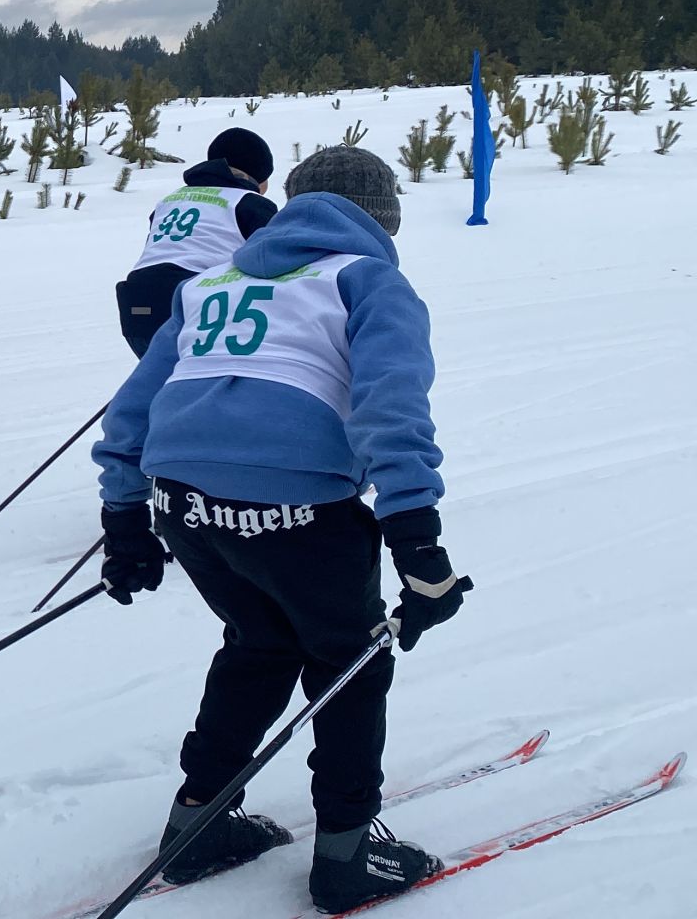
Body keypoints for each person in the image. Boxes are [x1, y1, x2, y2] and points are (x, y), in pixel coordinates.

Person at [88, 145, 472, 914]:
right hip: (302, 515)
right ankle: (348, 853)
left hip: (186, 506)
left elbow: (131, 409)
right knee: (348, 663)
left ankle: (197, 824)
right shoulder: (370, 280)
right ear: (381, 215)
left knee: (260, 645)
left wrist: (125, 519)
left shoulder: (211, 282)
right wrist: (418, 544)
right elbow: (391, 411)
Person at [115, 128, 280, 357]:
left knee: (163, 386)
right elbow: (274, 261)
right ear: (258, 177)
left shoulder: (169, 201)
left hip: (136, 306)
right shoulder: (249, 203)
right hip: (193, 303)